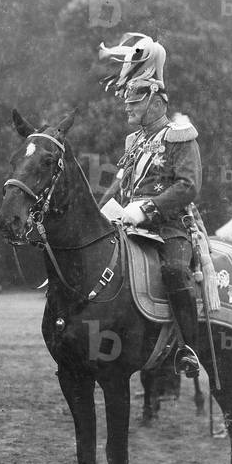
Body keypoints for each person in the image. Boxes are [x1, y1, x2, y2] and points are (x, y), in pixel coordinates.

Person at [98, 33, 202, 377]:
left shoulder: (179, 135)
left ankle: (189, 347)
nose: (127, 106)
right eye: (126, 101)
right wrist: (100, 211)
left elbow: (187, 187)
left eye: (134, 101)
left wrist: (148, 209)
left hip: (170, 226)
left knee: (174, 271)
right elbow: (119, 183)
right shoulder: (134, 142)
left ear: (155, 100)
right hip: (127, 226)